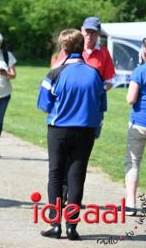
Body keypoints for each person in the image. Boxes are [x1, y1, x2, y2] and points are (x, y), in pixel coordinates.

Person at [37, 29, 107, 240]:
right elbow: (102, 105)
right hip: (85, 132)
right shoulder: (95, 73)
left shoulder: (55, 73)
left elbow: (43, 104)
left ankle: (55, 224)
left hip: (59, 130)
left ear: (63, 48)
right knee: (77, 177)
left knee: (56, 175)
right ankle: (72, 227)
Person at [125, 37, 146, 216]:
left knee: (133, 162)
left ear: (144, 51)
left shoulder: (140, 71)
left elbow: (130, 98)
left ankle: (131, 204)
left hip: (140, 123)